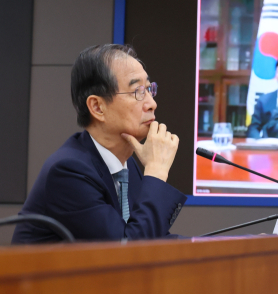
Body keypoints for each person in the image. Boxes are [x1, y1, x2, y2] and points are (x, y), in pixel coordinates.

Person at [12, 45, 186, 244]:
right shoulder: (68, 172)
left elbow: (150, 235)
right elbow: (128, 252)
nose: (152, 103)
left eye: (148, 89)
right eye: (137, 91)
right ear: (97, 107)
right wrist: (156, 171)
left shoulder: (127, 164)